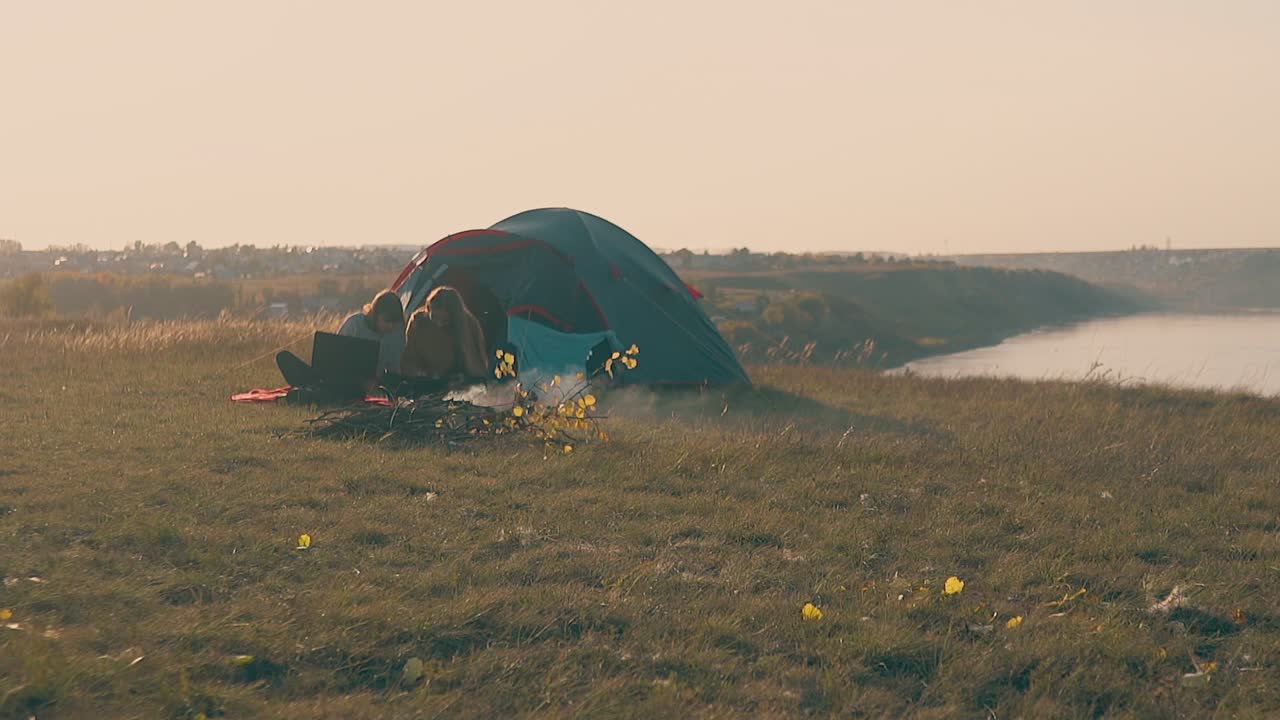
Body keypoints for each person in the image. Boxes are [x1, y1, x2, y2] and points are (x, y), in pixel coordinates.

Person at [276, 289, 406, 390]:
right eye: (387, 321)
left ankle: (310, 392)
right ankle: (314, 388)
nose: (391, 326)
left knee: (330, 390)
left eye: (395, 323)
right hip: (336, 378)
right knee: (284, 357)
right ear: (376, 315)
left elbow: (394, 370)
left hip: (358, 388)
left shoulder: (397, 334)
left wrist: (378, 383)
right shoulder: (354, 324)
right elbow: (336, 354)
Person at [401, 286, 489, 382]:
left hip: (460, 382)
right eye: (434, 318)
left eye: (444, 320)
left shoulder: (469, 325)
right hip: (427, 381)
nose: (439, 323)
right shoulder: (418, 322)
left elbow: (476, 362)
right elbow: (408, 358)